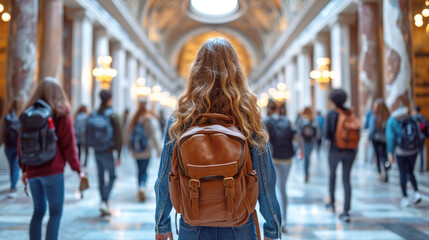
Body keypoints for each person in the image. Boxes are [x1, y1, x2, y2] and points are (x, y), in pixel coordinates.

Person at [154, 38, 281, 240]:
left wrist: (162, 224)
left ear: (196, 71)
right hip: (239, 223)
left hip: (192, 223)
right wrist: (272, 230)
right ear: (236, 71)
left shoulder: (181, 119)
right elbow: (266, 181)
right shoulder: (248, 117)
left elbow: (164, 178)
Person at [20, 77, 83, 240]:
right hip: (53, 170)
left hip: (33, 170)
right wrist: (77, 168)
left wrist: (24, 169)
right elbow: (69, 145)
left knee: (38, 212)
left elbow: (21, 143)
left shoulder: (27, 114)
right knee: (55, 213)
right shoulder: (61, 113)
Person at [86, 89, 122, 216]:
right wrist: (119, 155)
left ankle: (103, 200)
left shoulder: (93, 114)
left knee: (100, 177)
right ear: (110, 99)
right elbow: (118, 136)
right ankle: (105, 200)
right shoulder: (112, 115)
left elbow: (86, 135)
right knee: (112, 176)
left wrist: (85, 156)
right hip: (108, 151)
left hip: (96, 151)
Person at [324, 89, 358, 223]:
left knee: (332, 176)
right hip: (350, 151)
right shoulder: (350, 112)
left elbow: (326, 135)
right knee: (346, 179)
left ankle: (332, 203)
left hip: (334, 150)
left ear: (332, 100)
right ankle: (346, 211)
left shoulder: (331, 114)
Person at [265, 99, 297, 234]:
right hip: (287, 158)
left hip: (274, 158)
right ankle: (286, 219)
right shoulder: (288, 121)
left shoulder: (266, 122)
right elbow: (295, 136)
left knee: (274, 188)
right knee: (283, 188)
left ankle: (277, 220)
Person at [386, 104, 422, 208]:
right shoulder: (411, 118)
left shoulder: (392, 120)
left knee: (402, 172)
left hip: (401, 151)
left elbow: (390, 137)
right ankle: (416, 192)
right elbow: (418, 133)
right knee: (410, 172)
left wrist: (390, 152)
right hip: (413, 150)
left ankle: (405, 198)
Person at [128, 100, 162, 202]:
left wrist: (129, 146)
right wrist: (158, 150)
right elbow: (154, 135)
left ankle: (139, 186)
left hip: (136, 150)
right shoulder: (149, 119)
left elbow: (127, 133)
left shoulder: (133, 118)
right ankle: (143, 186)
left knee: (139, 169)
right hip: (147, 149)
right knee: (145, 170)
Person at [0, 98, 23, 198]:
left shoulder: (6, 117)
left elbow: (2, 132)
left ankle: (12, 185)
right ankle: (13, 186)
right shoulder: (22, 116)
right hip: (18, 145)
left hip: (8, 146)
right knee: (15, 167)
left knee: (12, 167)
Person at [369, 99, 390, 182]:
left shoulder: (374, 116)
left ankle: (380, 173)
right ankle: (386, 170)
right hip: (385, 139)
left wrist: (369, 139)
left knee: (378, 156)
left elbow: (372, 130)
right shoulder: (388, 116)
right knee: (384, 157)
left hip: (376, 139)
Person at [297, 107, 320, 183]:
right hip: (311, 141)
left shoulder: (302, 120)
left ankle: (306, 172)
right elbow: (317, 133)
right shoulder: (313, 120)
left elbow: (298, 132)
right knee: (307, 157)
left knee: (306, 158)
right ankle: (306, 172)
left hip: (304, 141)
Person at [413, 106, 427, 172]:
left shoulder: (415, 117)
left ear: (415, 110)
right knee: (421, 152)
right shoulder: (422, 116)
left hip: (418, 137)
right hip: (423, 136)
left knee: (415, 151)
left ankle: (415, 167)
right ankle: (421, 168)